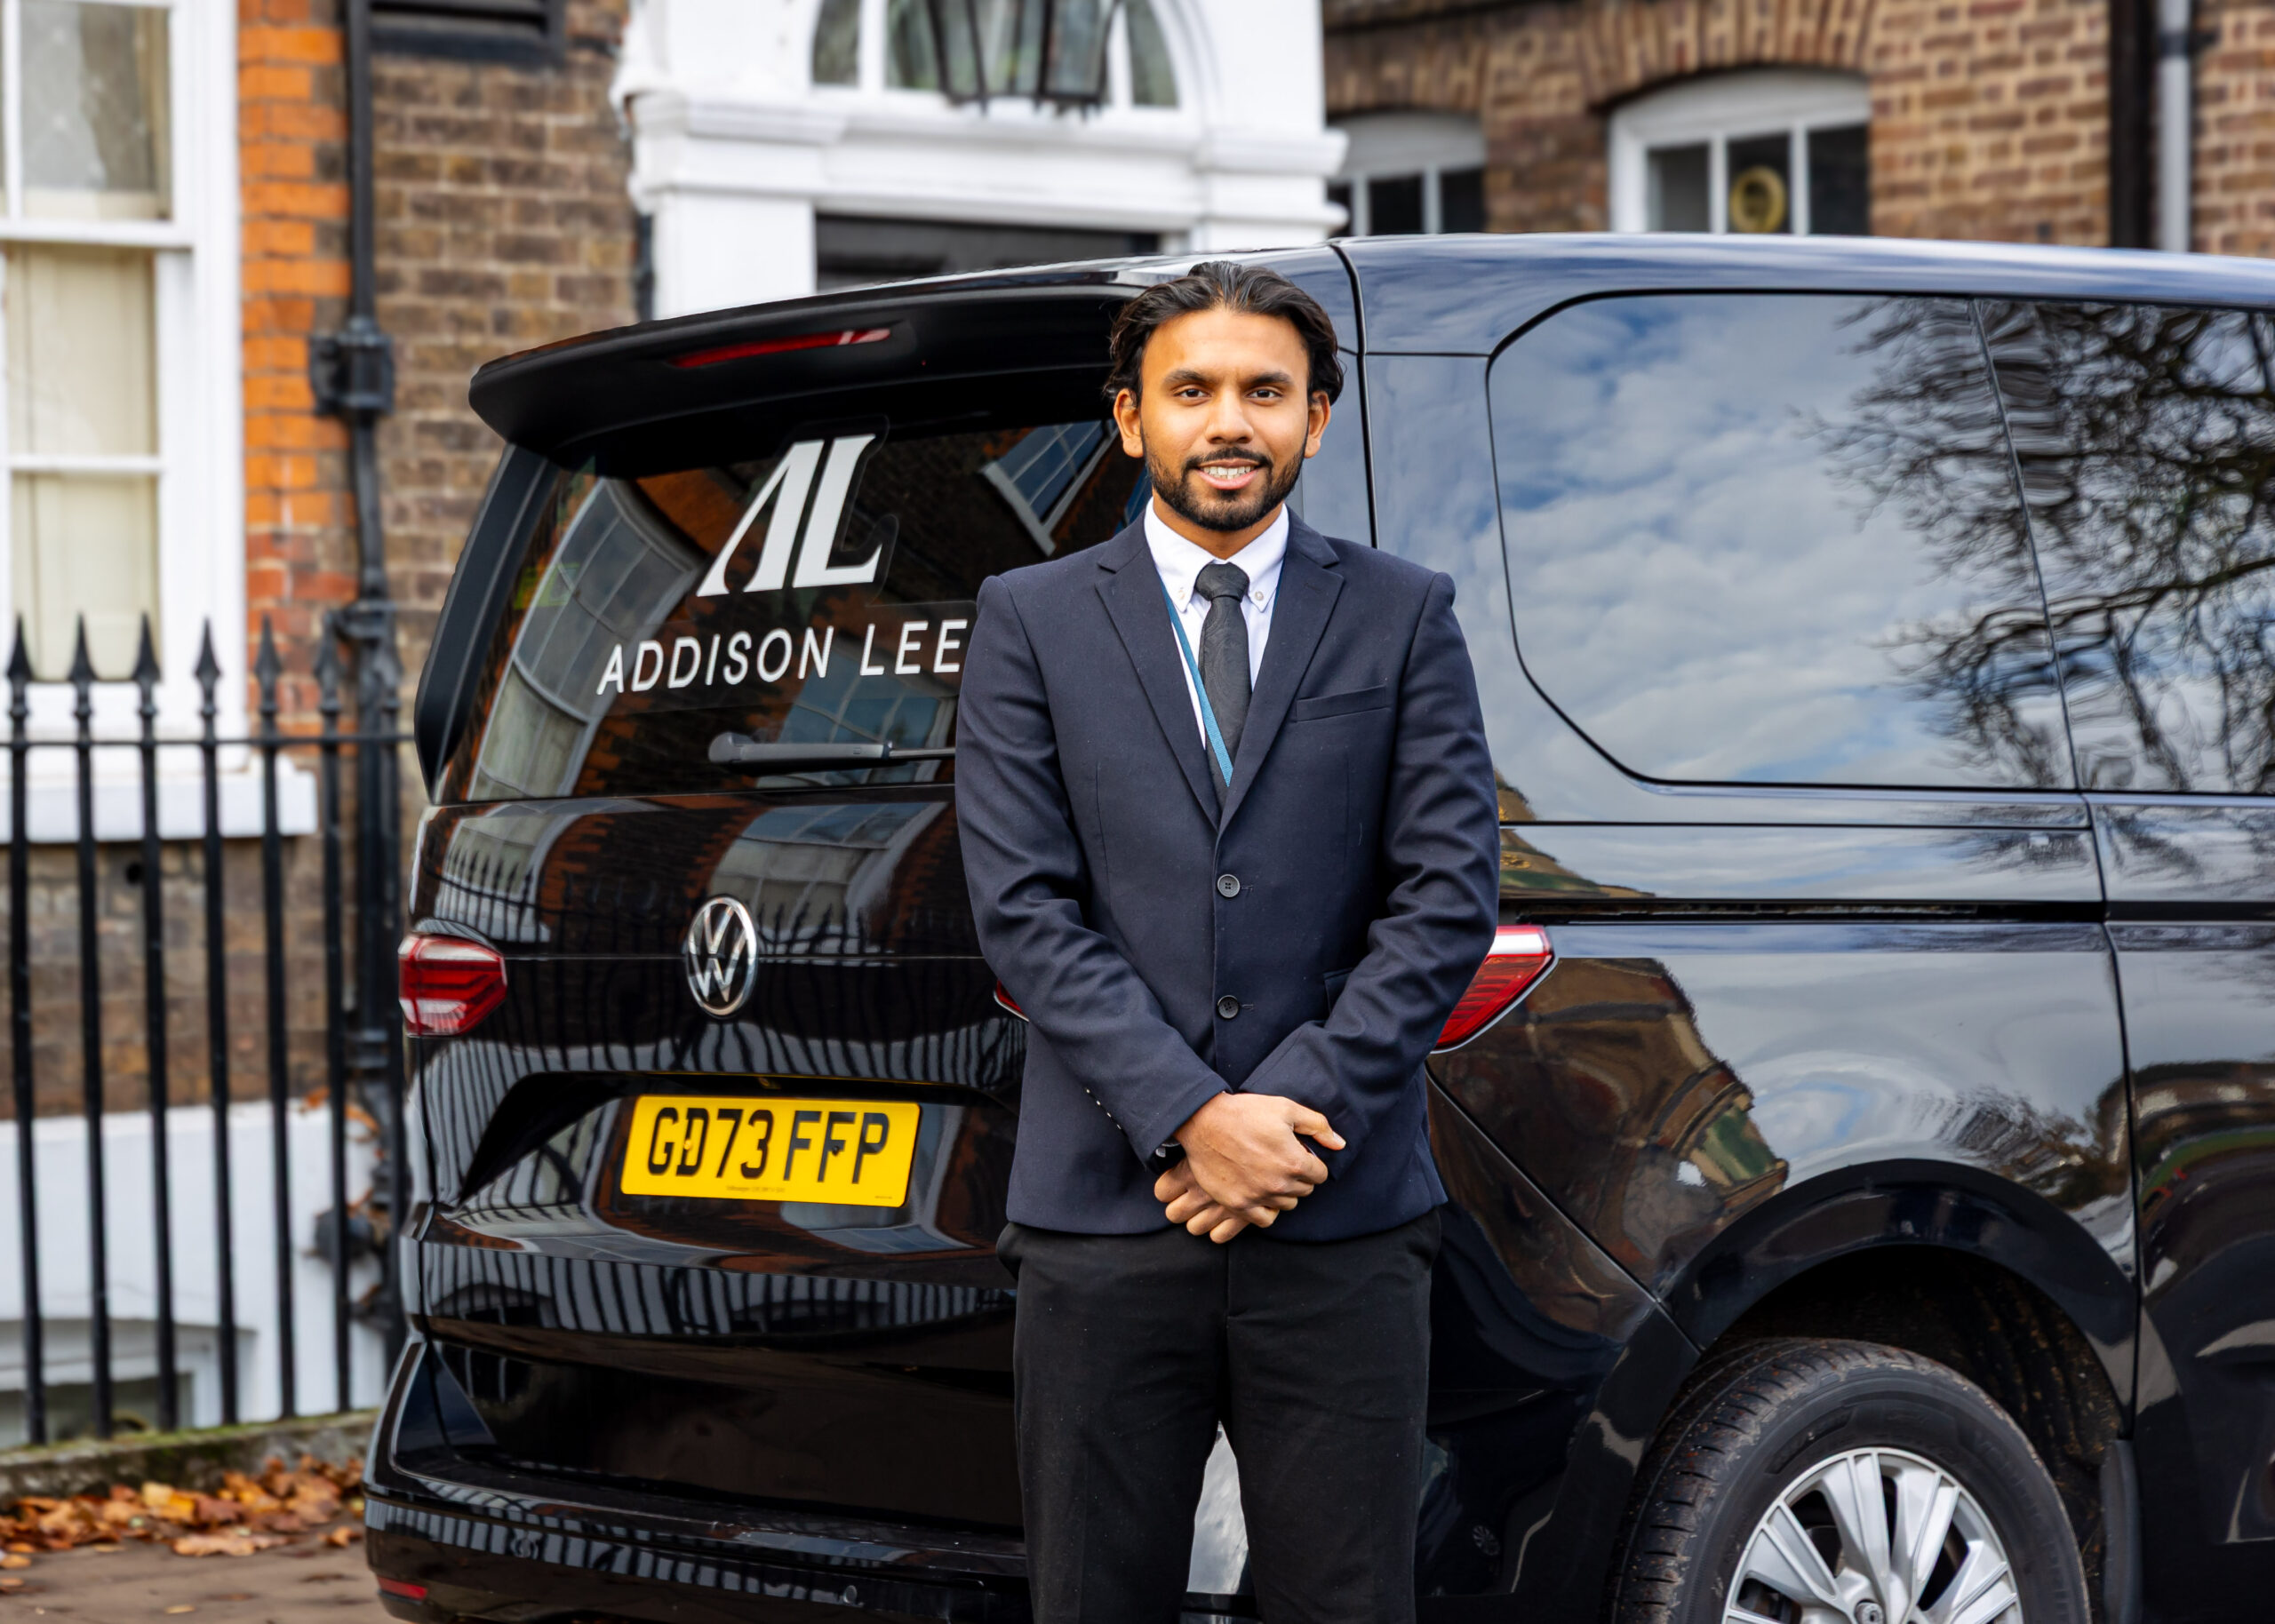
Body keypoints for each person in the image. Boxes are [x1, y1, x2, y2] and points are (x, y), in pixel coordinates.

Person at [955, 260, 1502, 1624]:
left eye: (1266, 391)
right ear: (1130, 421)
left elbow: (1445, 895)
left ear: (1318, 419)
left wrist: (1288, 1114)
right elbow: (1024, 910)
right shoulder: (1031, 620)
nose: (1229, 423)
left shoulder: (1402, 612)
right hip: (1104, 1220)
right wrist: (1190, 1115)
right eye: (1191, 390)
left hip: (1341, 1223)